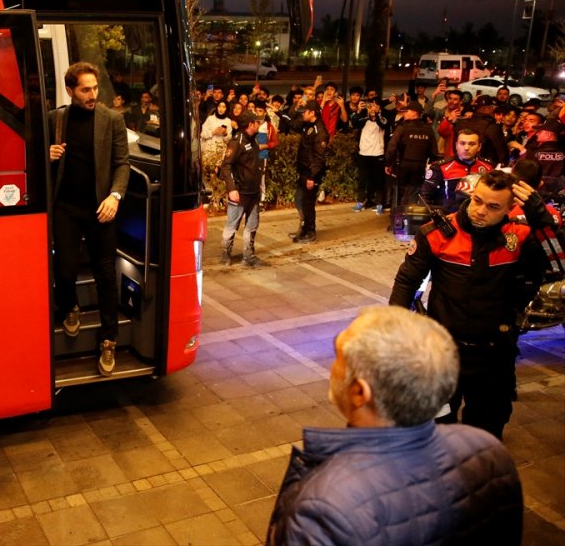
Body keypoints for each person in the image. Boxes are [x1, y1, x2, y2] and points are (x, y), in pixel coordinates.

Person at [266, 306, 523, 546]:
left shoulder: (323, 506)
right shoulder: (487, 449)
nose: (332, 369)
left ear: (359, 392)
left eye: (338, 358)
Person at [390, 170, 552, 439]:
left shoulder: (520, 236)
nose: (480, 211)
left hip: (493, 354)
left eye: (493, 207)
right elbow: (406, 281)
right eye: (477, 200)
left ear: (510, 208)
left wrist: (543, 224)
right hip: (444, 352)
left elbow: (557, 266)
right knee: (436, 426)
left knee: (487, 429)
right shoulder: (437, 234)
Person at [48, 62, 130, 376]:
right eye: (85, 89)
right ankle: (69, 305)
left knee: (106, 276)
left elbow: (122, 163)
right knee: (65, 270)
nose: (92, 94)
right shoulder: (57, 119)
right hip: (66, 208)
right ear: (71, 91)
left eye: (95, 88)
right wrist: (48, 154)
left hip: (101, 208)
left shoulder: (112, 120)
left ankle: (108, 339)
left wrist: (115, 196)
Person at [219, 110, 265, 267]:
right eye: (257, 122)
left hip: (253, 192)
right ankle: (226, 252)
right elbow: (226, 166)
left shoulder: (254, 140)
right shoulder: (236, 142)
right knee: (232, 225)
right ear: (250, 124)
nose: (259, 124)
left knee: (252, 225)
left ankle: (248, 255)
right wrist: (232, 189)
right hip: (239, 192)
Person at [420, 127, 493, 214]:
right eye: (462, 143)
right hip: (449, 217)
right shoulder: (441, 167)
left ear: (479, 147)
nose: (466, 148)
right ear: (456, 145)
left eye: (472, 144)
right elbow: (424, 196)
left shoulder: (489, 167)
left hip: (479, 215)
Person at [290, 99, 328, 244]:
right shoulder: (309, 125)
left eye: (305, 112)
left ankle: (310, 231)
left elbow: (319, 157)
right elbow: (293, 124)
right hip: (304, 171)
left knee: (307, 203)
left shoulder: (319, 132)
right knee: (300, 200)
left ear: (312, 113)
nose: (303, 115)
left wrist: (313, 177)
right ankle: (304, 228)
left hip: (311, 174)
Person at [385, 99, 437, 206]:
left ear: (414, 113)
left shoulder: (403, 128)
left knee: (398, 191)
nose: (404, 113)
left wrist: (388, 163)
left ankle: (396, 217)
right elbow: (433, 151)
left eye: (407, 111)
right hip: (419, 165)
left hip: (403, 164)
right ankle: (410, 216)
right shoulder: (428, 129)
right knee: (414, 191)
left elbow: (392, 146)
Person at [351, 94, 388, 214]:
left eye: (375, 106)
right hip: (364, 154)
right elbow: (355, 122)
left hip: (378, 154)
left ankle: (379, 203)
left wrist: (377, 114)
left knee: (378, 180)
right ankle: (360, 202)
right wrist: (358, 111)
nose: (372, 108)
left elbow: (383, 124)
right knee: (363, 180)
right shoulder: (364, 120)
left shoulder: (382, 119)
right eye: (370, 106)